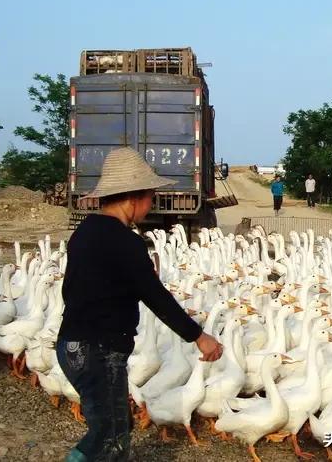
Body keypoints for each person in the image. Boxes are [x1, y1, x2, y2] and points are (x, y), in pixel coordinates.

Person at [57, 147, 224, 462]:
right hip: (99, 350)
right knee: (111, 436)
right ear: (134, 197)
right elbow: (156, 296)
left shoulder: (84, 232)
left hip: (71, 345)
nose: (152, 205)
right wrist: (199, 337)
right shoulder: (127, 241)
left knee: (114, 426)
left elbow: (72, 289)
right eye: (151, 197)